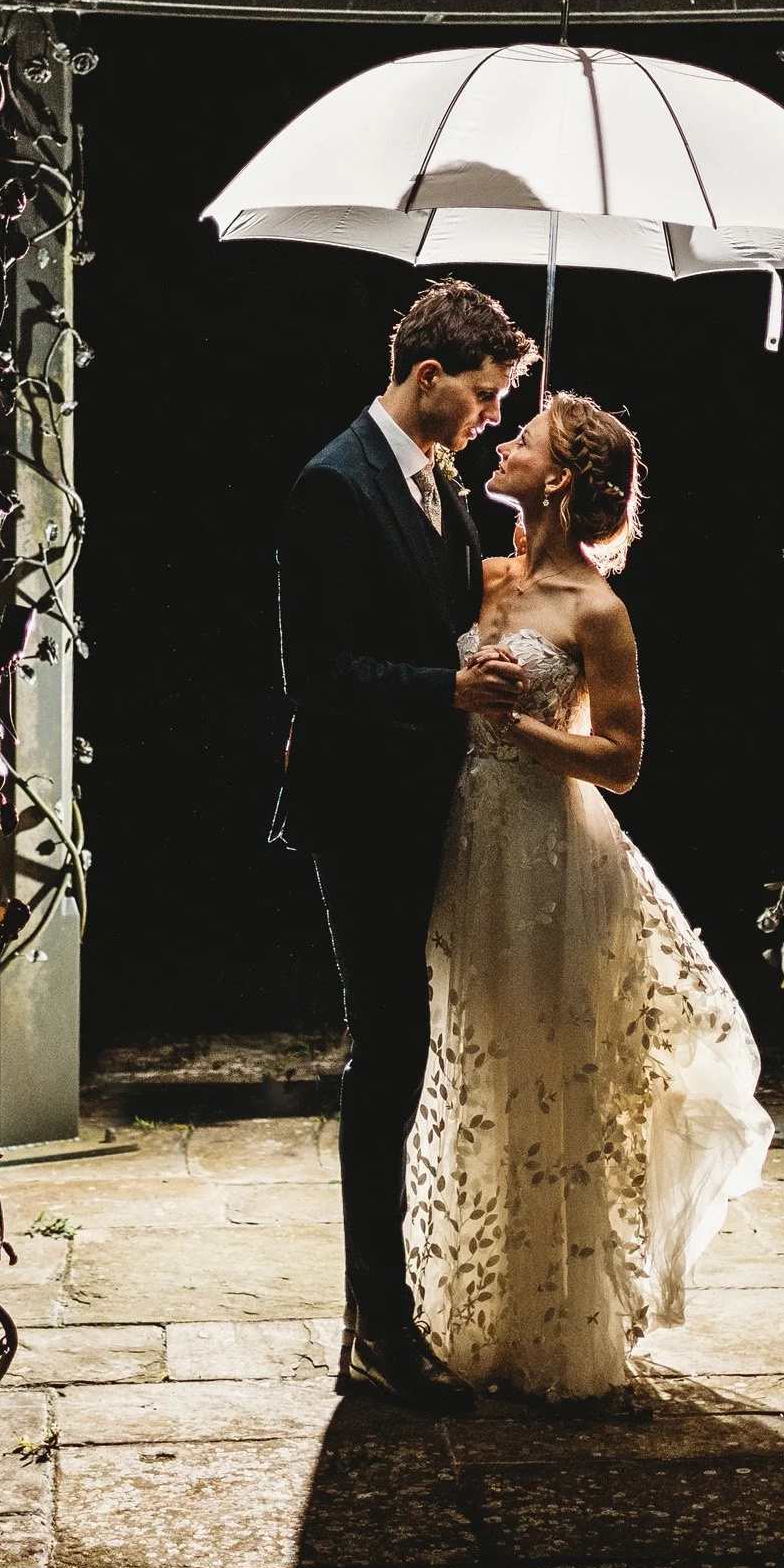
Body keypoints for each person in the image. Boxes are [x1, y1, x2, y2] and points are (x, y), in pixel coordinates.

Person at [404, 391, 772, 1400]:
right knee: (475, 1062)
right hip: (467, 844)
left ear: (558, 477)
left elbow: (620, 757)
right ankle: (467, 1310)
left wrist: (514, 728)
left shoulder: (596, 610)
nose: (505, 442)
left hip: (548, 855)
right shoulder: (481, 576)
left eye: (524, 438)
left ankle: (561, 1328)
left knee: (554, 1074)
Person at [273, 279, 535, 1412]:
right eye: (481, 397)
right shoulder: (331, 486)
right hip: (362, 812)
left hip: (443, 807)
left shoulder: (446, 490)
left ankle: (406, 1302)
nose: (487, 419)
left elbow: (448, 624)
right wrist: (451, 686)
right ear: (427, 375)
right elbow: (321, 681)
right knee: (386, 1053)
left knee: (424, 1051)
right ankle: (375, 1323)